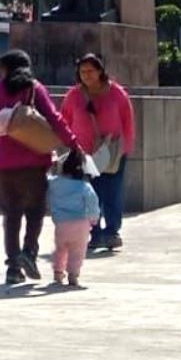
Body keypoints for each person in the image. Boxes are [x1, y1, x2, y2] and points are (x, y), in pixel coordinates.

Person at [0, 48, 78, 285]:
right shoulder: (34, 89)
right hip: (33, 162)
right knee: (35, 211)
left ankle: (13, 267)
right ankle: (29, 252)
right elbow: (55, 118)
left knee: (11, 215)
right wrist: (72, 143)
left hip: (2, 163)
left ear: (5, 69)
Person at [62, 53, 135, 252]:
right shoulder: (74, 95)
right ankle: (94, 233)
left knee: (112, 192)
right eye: (82, 71)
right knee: (89, 195)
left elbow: (128, 121)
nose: (86, 75)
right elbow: (64, 120)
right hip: (83, 153)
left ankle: (112, 231)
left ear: (100, 71)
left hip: (112, 152)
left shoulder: (117, 94)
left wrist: (126, 148)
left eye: (90, 71)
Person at [47, 147, 101, 288]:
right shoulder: (84, 186)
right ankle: (73, 274)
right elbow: (93, 202)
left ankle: (58, 272)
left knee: (60, 249)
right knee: (77, 251)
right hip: (81, 223)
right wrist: (94, 218)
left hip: (61, 224)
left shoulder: (54, 183)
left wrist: (52, 164)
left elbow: (45, 179)